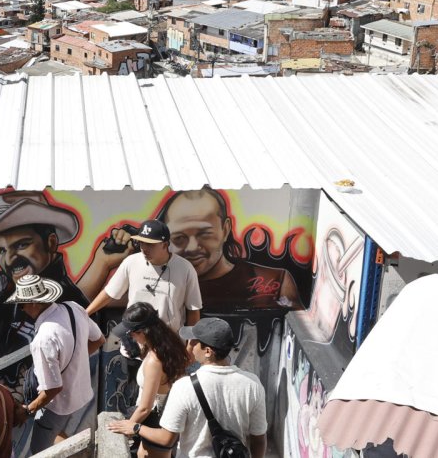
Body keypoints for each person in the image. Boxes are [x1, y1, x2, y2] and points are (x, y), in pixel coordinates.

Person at [0, 191, 90, 363]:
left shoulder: (66, 303)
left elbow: (8, 374)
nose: (8, 260)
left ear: (51, 243)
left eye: (21, 245)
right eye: (1, 250)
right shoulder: (5, 299)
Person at [110, 318, 267, 458]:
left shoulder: (184, 387)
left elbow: (166, 438)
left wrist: (136, 427)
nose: (189, 345)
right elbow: (259, 439)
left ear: (208, 351)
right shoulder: (252, 384)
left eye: (194, 341)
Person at [7, 274, 105, 454]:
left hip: (58, 406)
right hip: (82, 394)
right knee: (59, 434)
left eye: (21, 304)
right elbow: (99, 339)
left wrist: (28, 410)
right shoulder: (73, 308)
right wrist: (77, 358)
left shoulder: (43, 339)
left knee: (40, 451)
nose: (20, 309)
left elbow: (52, 389)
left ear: (35, 303)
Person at [160, 188, 301, 312]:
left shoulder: (274, 282)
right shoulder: (157, 283)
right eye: (179, 238)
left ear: (225, 229)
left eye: (205, 234)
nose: (192, 247)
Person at [104, 303, 189, 458]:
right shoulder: (169, 343)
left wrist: (128, 429)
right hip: (163, 416)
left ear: (143, 332)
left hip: (157, 418)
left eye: (131, 334)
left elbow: (145, 407)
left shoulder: (154, 360)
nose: (130, 338)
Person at [86, 219, 202, 332]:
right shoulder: (131, 262)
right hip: (134, 343)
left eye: (150, 244)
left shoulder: (185, 268)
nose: (144, 248)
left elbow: (193, 310)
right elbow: (109, 293)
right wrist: (85, 314)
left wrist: (191, 343)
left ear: (165, 244)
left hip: (169, 345)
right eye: (141, 242)